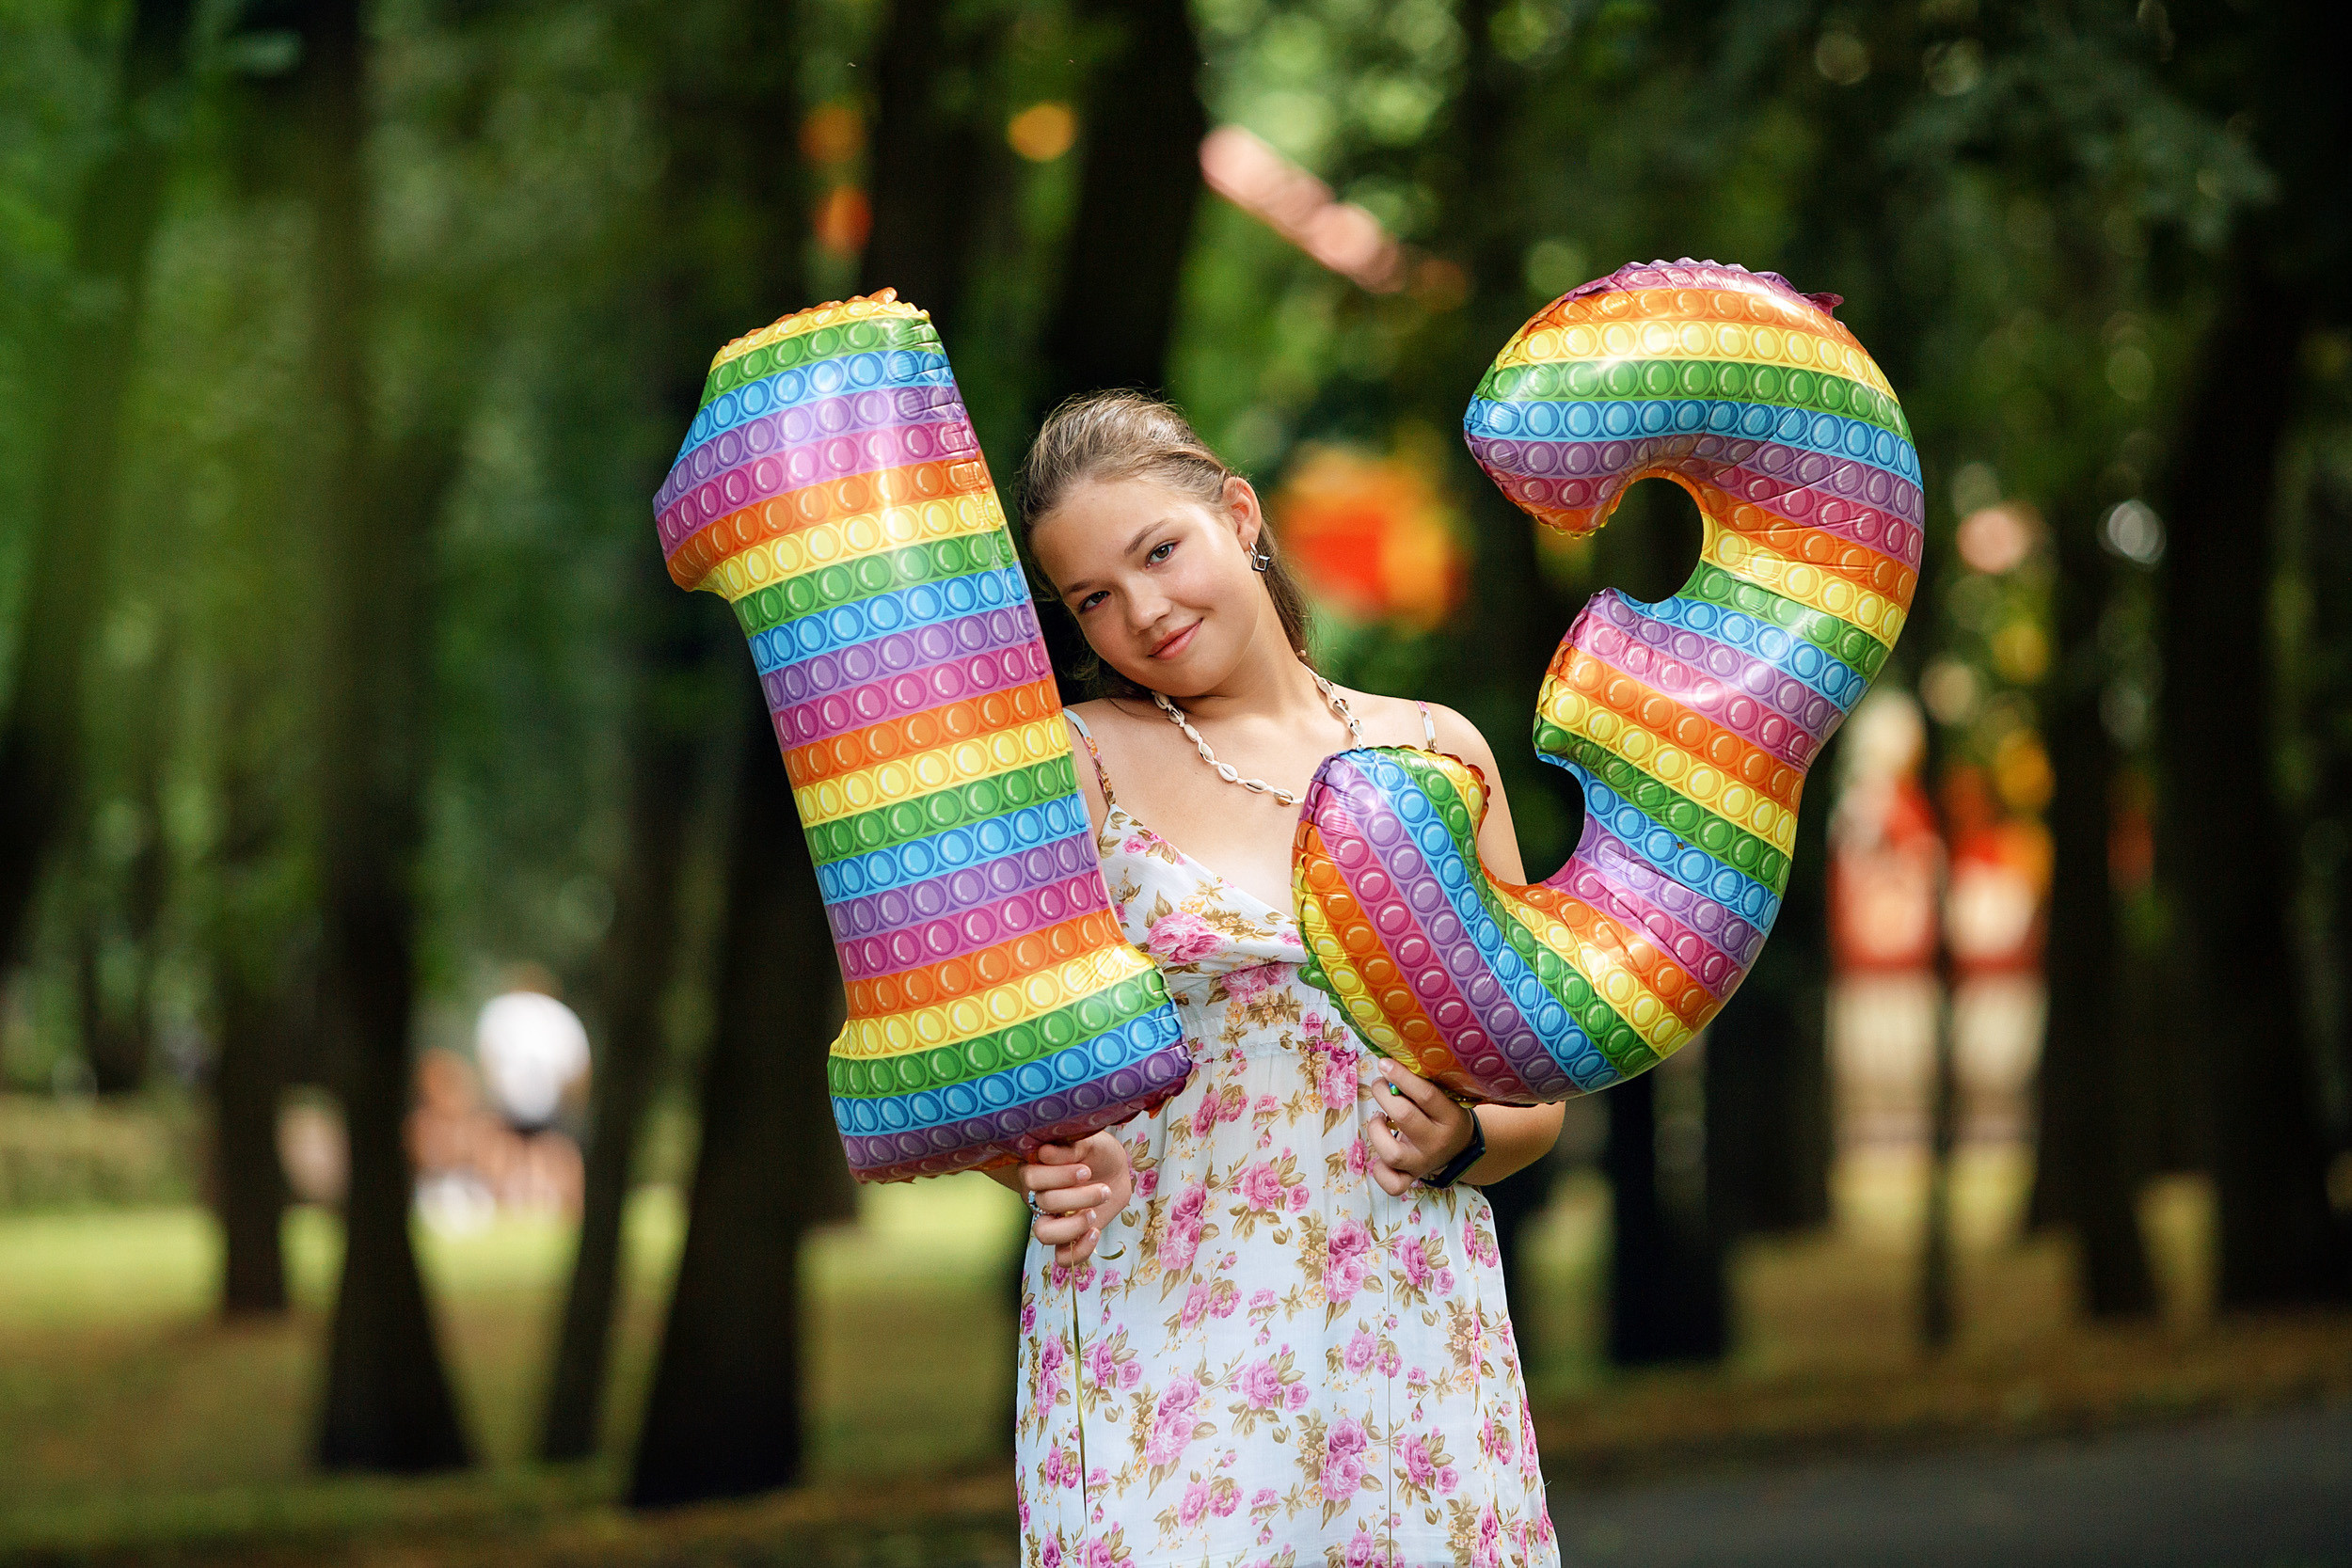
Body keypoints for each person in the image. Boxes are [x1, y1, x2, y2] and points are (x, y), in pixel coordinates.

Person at [991, 391, 1563, 1568]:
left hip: (1407, 1326)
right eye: (1092, 596)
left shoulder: (1436, 752)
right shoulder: (1073, 760)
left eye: (1159, 551)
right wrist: (1045, 1157)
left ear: (1239, 514)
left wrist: (1462, 1135)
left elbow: (1534, 1088)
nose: (1142, 610)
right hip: (1162, 1330)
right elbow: (990, 1063)